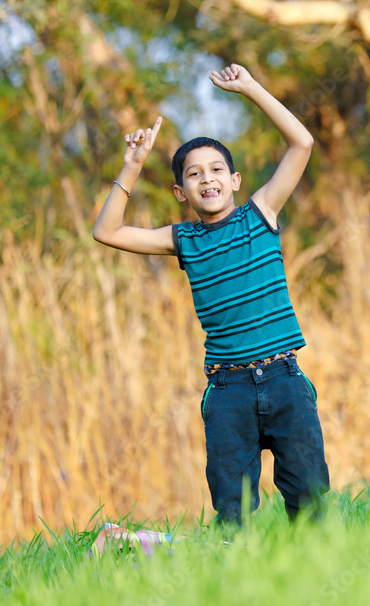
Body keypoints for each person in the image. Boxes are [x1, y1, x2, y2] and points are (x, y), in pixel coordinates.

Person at [92, 63, 330, 528]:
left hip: (285, 380)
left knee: (310, 498)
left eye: (217, 169)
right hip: (228, 392)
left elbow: (302, 143)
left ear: (235, 180)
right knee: (232, 512)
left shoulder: (261, 214)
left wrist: (251, 88)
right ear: (181, 192)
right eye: (194, 174)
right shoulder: (182, 240)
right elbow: (107, 231)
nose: (208, 179)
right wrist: (132, 165)